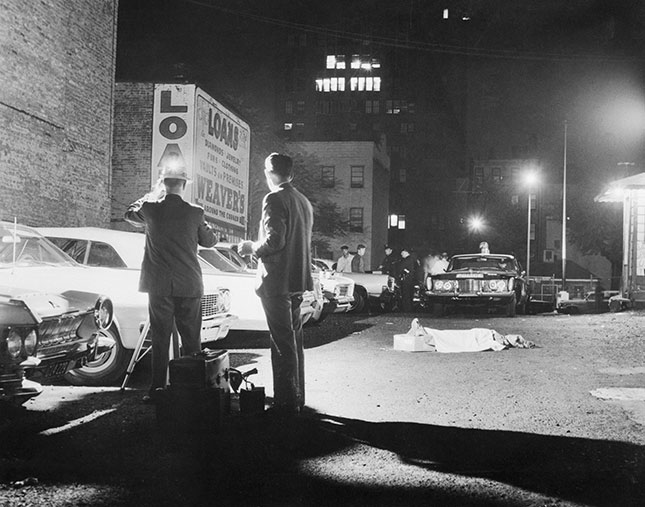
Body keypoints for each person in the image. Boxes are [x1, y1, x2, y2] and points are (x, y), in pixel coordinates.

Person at [124, 160, 217, 403]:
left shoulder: (150, 209)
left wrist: (152, 194)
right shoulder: (196, 212)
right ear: (184, 185)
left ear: (163, 184)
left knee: (160, 337)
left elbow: (128, 213)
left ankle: (157, 390)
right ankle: (194, 390)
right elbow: (210, 241)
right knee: (191, 340)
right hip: (189, 284)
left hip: (159, 284)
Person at [239, 153, 314, 417]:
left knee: (282, 343)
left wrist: (250, 247)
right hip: (297, 280)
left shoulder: (274, 198)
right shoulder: (303, 201)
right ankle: (297, 397)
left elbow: (274, 241)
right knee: (294, 341)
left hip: (277, 281)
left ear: (269, 173)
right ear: (291, 174)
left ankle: (285, 402)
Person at [397, 247, 418, 313]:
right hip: (411, 280)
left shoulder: (406, 260)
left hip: (406, 280)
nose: (401, 254)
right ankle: (410, 308)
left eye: (402, 252)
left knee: (406, 295)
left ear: (406, 252)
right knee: (410, 294)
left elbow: (400, 269)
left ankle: (406, 309)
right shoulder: (413, 259)